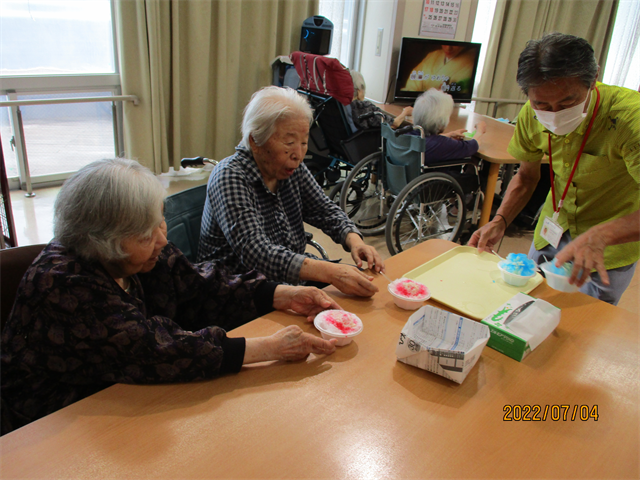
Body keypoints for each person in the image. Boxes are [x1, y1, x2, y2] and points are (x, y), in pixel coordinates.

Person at [0, 158, 340, 436]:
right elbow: (152, 349)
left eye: (160, 221)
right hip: (54, 425)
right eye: (148, 235)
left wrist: (281, 294)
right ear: (106, 242)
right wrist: (269, 348)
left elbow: (202, 286)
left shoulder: (141, 252)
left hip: (122, 396)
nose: (162, 239)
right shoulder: (63, 284)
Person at [469, 32, 640, 305]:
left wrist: (603, 234)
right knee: (525, 305)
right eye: (542, 104)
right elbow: (526, 177)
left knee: (583, 328)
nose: (555, 114)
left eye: (567, 103)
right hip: (552, 230)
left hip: (609, 246)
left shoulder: (631, 119)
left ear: (594, 77)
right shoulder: (531, 115)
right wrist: (500, 220)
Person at [197, 86, 385, 297]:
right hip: (240, 290)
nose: (299, 154)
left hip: (287, 282)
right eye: (289, 142)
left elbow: (323, 209)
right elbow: (258, 254)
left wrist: (355, 241)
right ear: (255, 141)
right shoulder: (230, 176)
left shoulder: (289, 167)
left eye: (304, 142)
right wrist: (331, 273)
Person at [410, 88, 486, 161]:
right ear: (441, 121)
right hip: (437, 173)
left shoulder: (406, 134)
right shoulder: (443, 144)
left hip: (411, 173)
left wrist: (449, 134)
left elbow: (428, 140)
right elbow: (472, 146)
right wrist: (480, 131)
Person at [402, 44, 478, 95]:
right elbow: (412, 84)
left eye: (454, 45)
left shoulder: (472, 60)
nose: (448, 48)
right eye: (445, 44)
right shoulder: (433, 55)